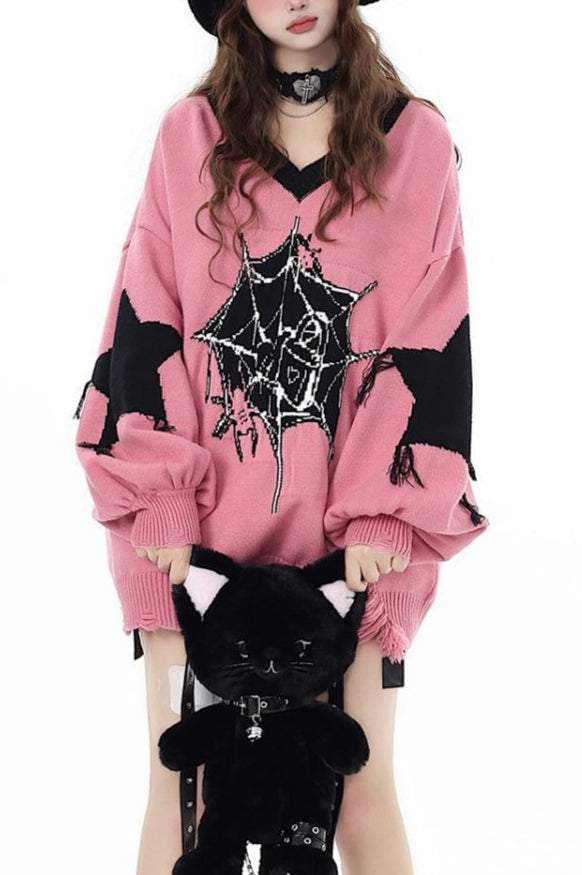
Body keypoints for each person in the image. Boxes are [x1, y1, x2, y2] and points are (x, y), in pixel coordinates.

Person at [73, 1, 490, 873]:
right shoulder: (190, 136)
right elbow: (146, 311)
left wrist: (384, 511)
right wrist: (161, 496)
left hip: (361, 538)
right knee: (183, 793)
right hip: (191, 533)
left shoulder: (414, 142)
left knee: (359, 789)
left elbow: (432, 333)